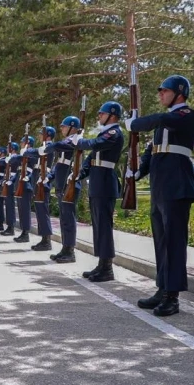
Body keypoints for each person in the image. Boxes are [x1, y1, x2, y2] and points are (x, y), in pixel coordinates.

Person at [125, 75, 194, 316]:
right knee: (161, 242)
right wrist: (138, 171)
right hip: (160, 186)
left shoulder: (186, 115)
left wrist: (134, 124)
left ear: (179, 93)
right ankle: (162, 288)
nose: (160, 94)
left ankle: (172, 296)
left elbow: (160, 119)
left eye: (164, 90)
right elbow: (151, 151)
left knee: (174, 242)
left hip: (176, 185)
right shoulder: (163, 125)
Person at [70, 102, 125, 281]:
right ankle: (101, 264)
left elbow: (96, 144)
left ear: (112, 115)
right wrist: (80, 173)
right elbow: (92, 157)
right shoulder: (104, 133)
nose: (99, 116)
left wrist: (81, 142)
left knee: (104, 227)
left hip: (105, 183)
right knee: (98, 226)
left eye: (102, 113)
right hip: (97, 182)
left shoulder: (114, 133)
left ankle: (107, 268)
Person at [43, 116, 82, 263]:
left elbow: (55, 146)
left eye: (64, 126)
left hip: (69, 185)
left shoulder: (73, 140)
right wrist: (49, 177)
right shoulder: (68, 141)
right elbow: (59, 164)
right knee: (64, 219)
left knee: (69, 219)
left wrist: (48, 144)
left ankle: (70, 251)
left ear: (72, 127)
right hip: (62, 185)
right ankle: (65, 249)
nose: (62, 129)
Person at [26, 126, 56, 251]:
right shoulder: (44, 147)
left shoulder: (48, 147)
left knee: (43, 211)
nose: (39, 136)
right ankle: (44, 239)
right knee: (39, 210)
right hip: (39, 178)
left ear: (47, 135)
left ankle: (47, 241)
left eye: (41, 134)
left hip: (43, 179)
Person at [14, 135, 37, 244]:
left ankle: (26, 233)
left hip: (27, 185)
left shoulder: (32, 154)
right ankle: (23, 232)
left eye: (23, 142)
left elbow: (33, 169)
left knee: (25, 210)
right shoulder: (23, 154)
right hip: (20, 185)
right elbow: (16, 159)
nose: (21, 144)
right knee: (21, 210)